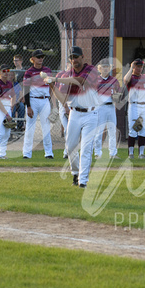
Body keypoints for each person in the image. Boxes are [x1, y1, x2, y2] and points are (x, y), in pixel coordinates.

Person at [46, 46, 100, 188]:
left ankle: (83, 181)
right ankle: (76, 173)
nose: (74, 60)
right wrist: (52, 86)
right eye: (72, 57)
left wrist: (56, 78)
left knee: (86, 148)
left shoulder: (91, 69)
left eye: (76, 57)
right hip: (75, 114)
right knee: (70, 147)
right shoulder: (65, 76)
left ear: (82, 57)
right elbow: (63, 99)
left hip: (91, 114)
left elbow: (81, 81)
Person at [22, 49, 54, 159]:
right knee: (30, 127)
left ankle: (49, 153)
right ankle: (26, 153)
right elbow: (26, 90)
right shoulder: (29, 72)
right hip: (33, 99)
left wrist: (49, 99)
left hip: (45, 100)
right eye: (38, 57)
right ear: (33, 59)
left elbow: (51, 86)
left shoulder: (47, 70)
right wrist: (28, 106)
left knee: (46, 127)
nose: (41, 59)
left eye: (42, 57)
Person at [93, 58, 121, 160]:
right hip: (99, 107)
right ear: (99, 68)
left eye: (107, 67)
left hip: (111, 106)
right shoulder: (95, 80)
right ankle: (97, 153)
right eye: (103, 67)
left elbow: (119, 93)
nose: (105, 69)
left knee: (112, 130)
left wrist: (117, 97)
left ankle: (113, 153)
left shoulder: (114, 80)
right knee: (99, 131)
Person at [53, 62, 71, 159]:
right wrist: (64, 107)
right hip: (63, 102)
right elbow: (57, 91)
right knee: (67, 129)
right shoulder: (61, 75)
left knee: (70, 130)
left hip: (73, 103)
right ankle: (67, 152)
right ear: (67, 64)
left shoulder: (78, 75)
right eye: (71, 62)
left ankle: (67, 151)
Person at [11, 54, 25, 131]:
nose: (15, 62)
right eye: (14, 61)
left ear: (21, 61)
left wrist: (22, 96)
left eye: (17, 60)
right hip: (14, 94)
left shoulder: (24, 71)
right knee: (13, 107)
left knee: (21, 106)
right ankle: (12, 125)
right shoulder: (13, 72)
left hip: (21, 93)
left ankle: (20, 125)